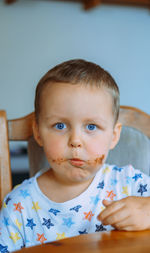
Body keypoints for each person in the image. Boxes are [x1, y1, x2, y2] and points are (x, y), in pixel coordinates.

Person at [0, 59, 150, 252]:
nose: (76, 141)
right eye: (60, 126)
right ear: (38, 133)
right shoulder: (19, 207)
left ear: (113, 136)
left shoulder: (130, 184)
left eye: (91, 126)